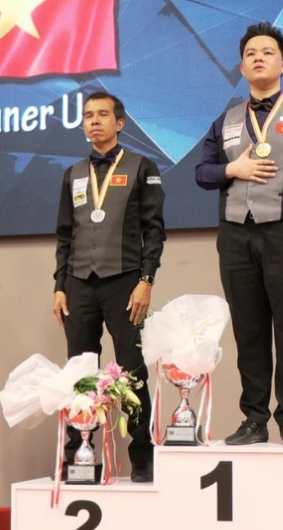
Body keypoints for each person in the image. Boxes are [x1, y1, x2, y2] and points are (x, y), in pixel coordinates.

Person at [195, 22, 283, 446]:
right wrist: (231, 169)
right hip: (236, 236)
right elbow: (201, 173)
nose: (258, 58)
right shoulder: (226, 120)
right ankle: (254, 419)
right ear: (241, 67)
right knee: (248, 330)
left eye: (267, 52)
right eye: (251, 53)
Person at [53, 91, 166, 483]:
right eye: (88, 115)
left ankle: (143, 457)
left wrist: (146, 281)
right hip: (78, 284)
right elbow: (65, 236)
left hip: (124, 283)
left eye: (102, 114)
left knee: (132, 370)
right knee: (80, 372)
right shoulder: (72, 174)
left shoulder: (141, 167)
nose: (94, 121)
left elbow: (154, 232)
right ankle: (80, 456)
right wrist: (59, 285)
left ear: (119, 123)